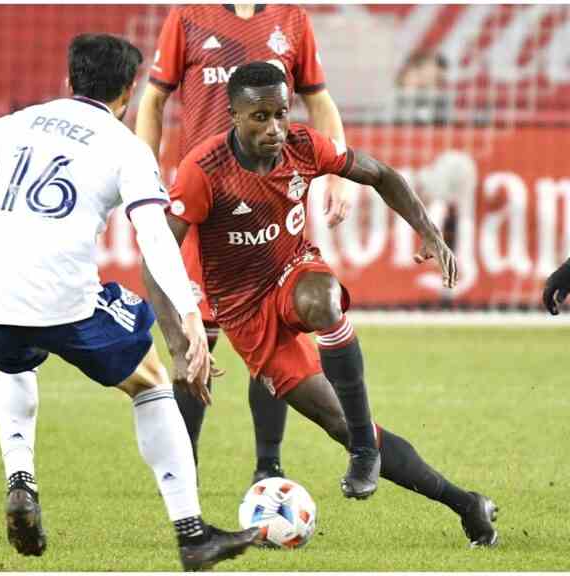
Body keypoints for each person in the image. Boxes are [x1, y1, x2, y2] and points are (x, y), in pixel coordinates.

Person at [0, 33, 258, 571]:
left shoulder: (19, 123)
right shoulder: (126, 148)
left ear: (70, 80)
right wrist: (190, 318)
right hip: (60, 299)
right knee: (151, 381)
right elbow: (154, 235)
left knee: (13, 358)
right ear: (129, 93)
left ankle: (20, 478)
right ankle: (192, 534)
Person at [142, 61, 499, 547]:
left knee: (324, 299)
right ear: (233, 115)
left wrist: (429, 232)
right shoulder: (203, 171)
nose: (274, 128)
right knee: (341, 424)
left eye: (281, 114)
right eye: (260, 117)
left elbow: (381, 174)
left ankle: (364, 454)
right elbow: (158, 256)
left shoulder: (305, 146)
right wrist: (180, 346)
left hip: (294, 273)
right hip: (245, 314)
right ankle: (466, 503)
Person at [136, 3, 353, 485]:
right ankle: (184, 463)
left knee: (273, 332)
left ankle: (268, 464)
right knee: (195, 335)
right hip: (203, 200)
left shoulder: (292, 19)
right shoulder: (189, 16)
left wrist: (339, 175)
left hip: (268, 202)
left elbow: (319, 98)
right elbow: (153, 100)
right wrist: (145, 175)